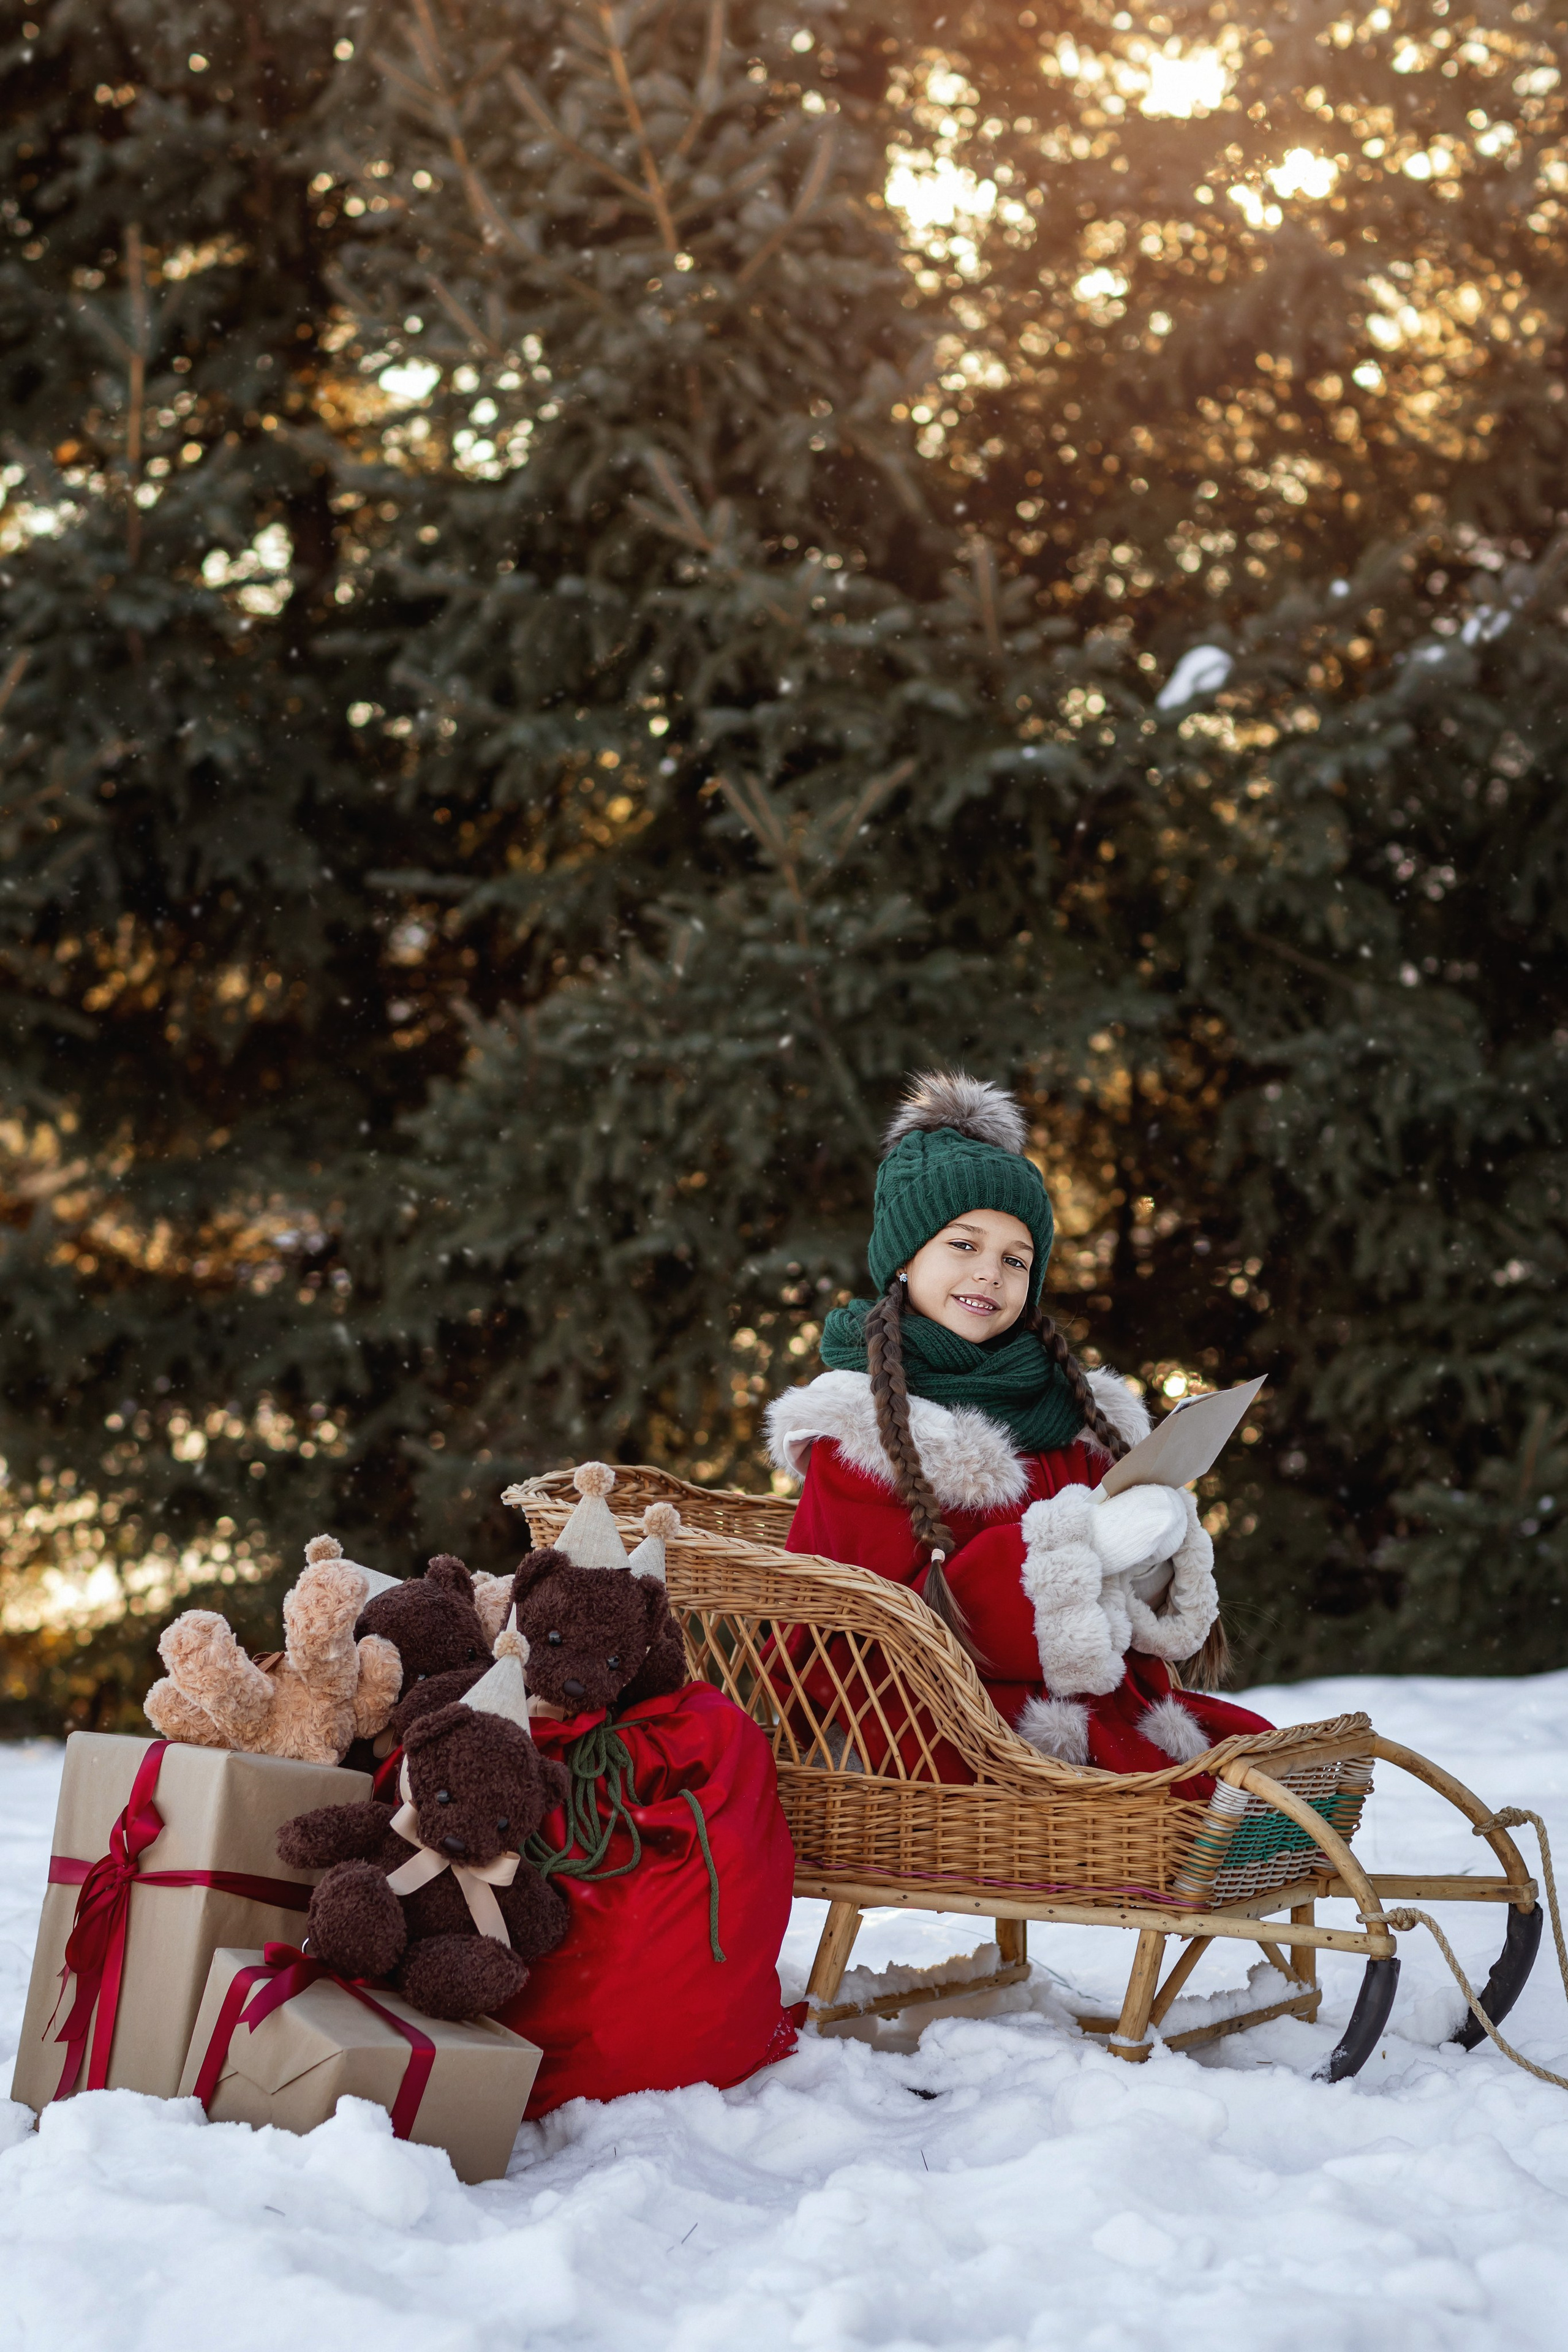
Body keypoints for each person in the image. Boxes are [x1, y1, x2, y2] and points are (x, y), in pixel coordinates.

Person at [766, 1069, 1270, 1781]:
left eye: (1015, 1260)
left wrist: (1149, 1554)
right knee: (1171, 1794)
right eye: (963, 1246)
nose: (990, 1276)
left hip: (1069, 1694)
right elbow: (873, 1633)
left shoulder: (1063, 1409)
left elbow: (1119, 1607)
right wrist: (1085, 1546)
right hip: (915, 1715)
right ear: (905, 1260)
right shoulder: (864, 1425)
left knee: (1255, 1760)